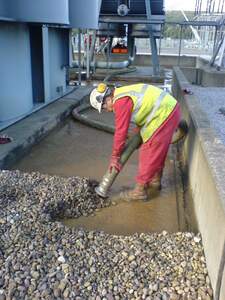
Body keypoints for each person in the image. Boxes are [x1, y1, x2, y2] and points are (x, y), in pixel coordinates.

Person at [90, 82, 181, 201]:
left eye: (103, 107)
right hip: (169, 110)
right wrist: (135, 136)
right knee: (158, 149)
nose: (106, 110)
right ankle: (155, 181)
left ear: (107, 99)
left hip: (164, 113)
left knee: (149, 150)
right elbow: (144, 109)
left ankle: (139, 191)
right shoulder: (121, 93)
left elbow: (120, 132)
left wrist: (115, 157)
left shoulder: (120, 102)